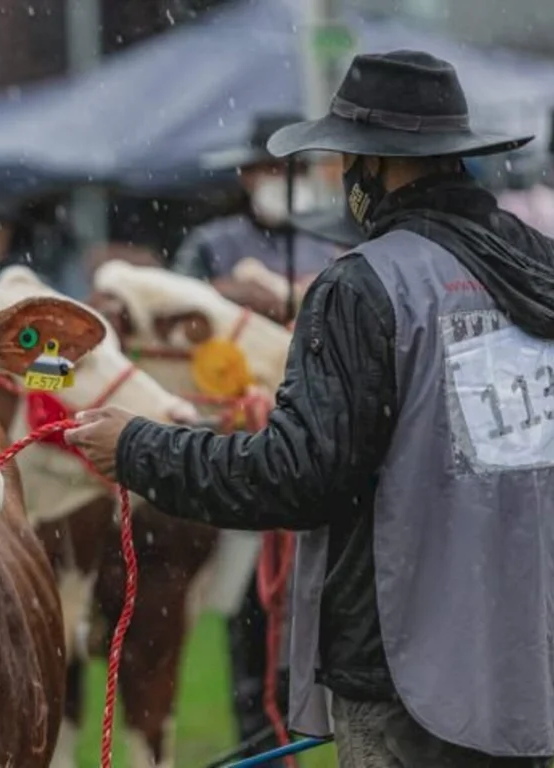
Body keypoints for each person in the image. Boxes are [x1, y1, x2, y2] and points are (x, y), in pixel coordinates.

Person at [66, 50, 554, 766]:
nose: (343, 179)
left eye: (346, 161)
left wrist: (140, 448)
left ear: (378, 166)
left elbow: (299, 476)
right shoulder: (538, 264)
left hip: (410, 666)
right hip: (531, 650)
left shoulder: (365, 285)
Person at [173, 114, 338, 321]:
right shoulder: (211, 242)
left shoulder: (333, 243)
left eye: (297, 169)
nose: (286, 179)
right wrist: (223, 292)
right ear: (247, 175)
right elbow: (174, 298)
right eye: (273, 168)